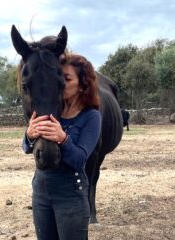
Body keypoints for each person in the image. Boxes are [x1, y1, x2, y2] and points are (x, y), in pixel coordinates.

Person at [22, 53, 102, 240]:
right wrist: (29, 135)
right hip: (41, 193)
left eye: (67, 79)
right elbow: (26, 147)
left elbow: (80, 159)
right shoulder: (52, 107)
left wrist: (63, 139)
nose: (61, 83)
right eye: (60, 78)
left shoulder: (91, 116)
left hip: (71, 196)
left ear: (82, 85)